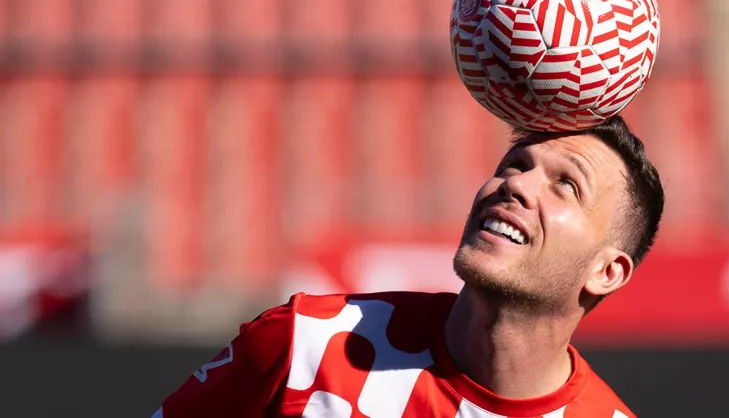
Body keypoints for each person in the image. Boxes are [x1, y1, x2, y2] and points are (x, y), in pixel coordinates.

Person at [152, 115, 664, 418]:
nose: (517, 185)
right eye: (515, 164)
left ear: (607, 271)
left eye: (566, 185)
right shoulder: (306, 342)